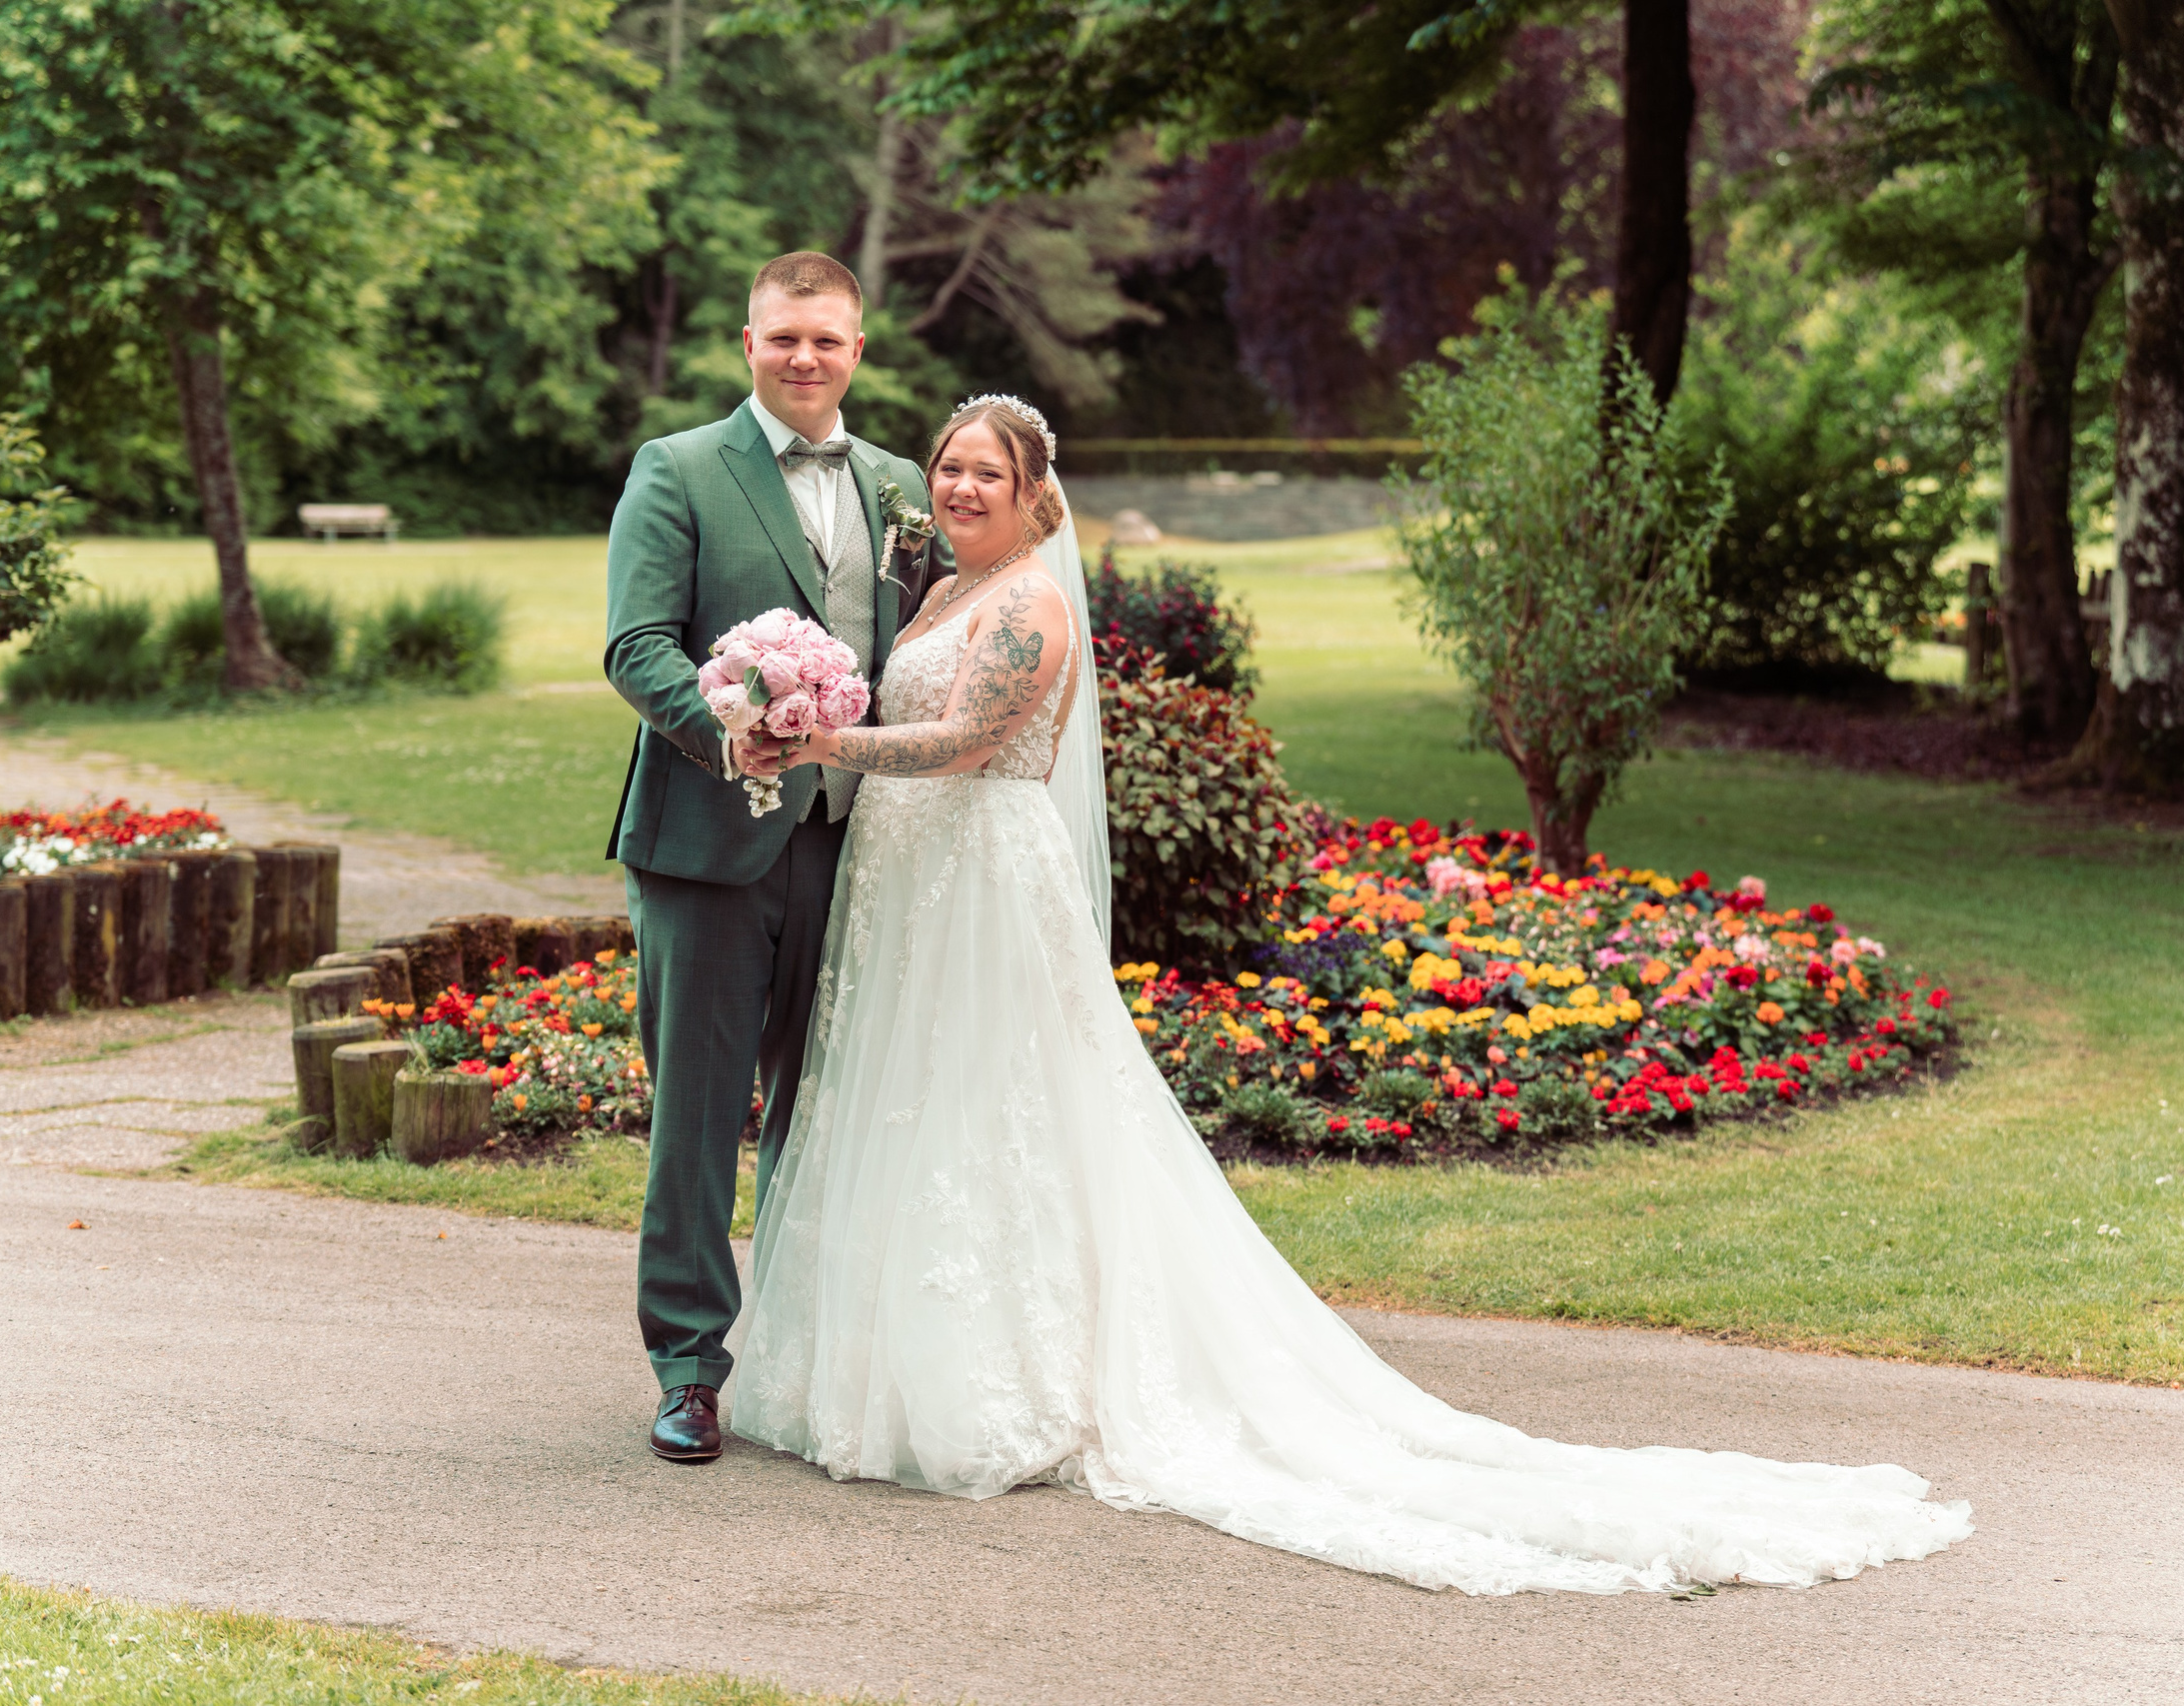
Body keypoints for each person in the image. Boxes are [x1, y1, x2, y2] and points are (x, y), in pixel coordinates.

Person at [720, 394, 1976, 1595]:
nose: (958, 487)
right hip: (912, 879)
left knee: (1000, 1108)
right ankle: (874, 1368)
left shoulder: (1032, 605)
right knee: (911, 1100)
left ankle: (1008, 1379)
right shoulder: (941, 586)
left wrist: (820, 737)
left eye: (986, 473)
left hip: (985, 877)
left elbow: (963, 744)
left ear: (1035, 493)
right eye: (948, 468)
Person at [603, 251, 947, 1467]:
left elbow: (936, 640)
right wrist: (728, 735)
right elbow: (636, 646)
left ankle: (804, 1361)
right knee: (697, 1120)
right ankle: (689, 1369)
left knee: (828, 1115)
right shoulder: (678, 468)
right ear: (747, 342)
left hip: (854, 848)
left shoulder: (906, 483)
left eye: (829, 341)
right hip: (705, 849)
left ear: (859, 350)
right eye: (785, 337)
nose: (806, 358)